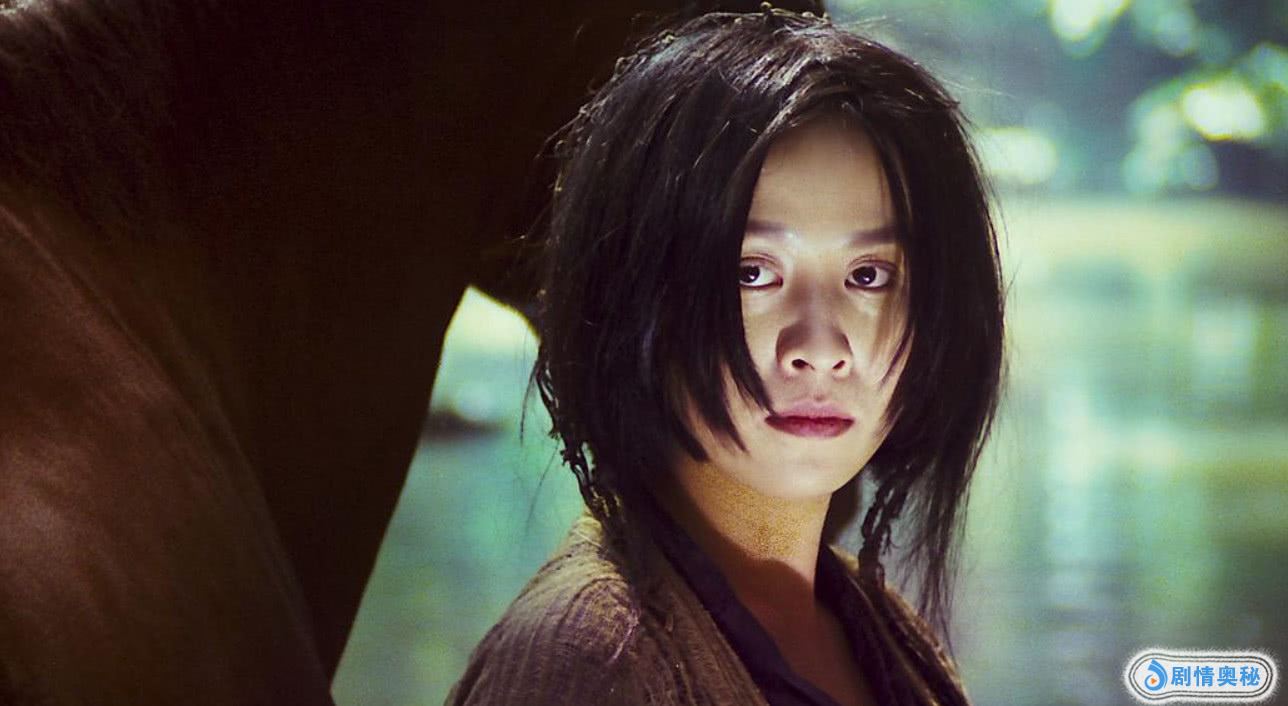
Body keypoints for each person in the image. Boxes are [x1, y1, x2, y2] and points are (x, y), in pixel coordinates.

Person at [446, 7, 1004, 706]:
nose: (820, 350)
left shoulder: (883, 633)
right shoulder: (589, 662)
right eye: (753, 273)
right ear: (642, 296)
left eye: (868, 276)